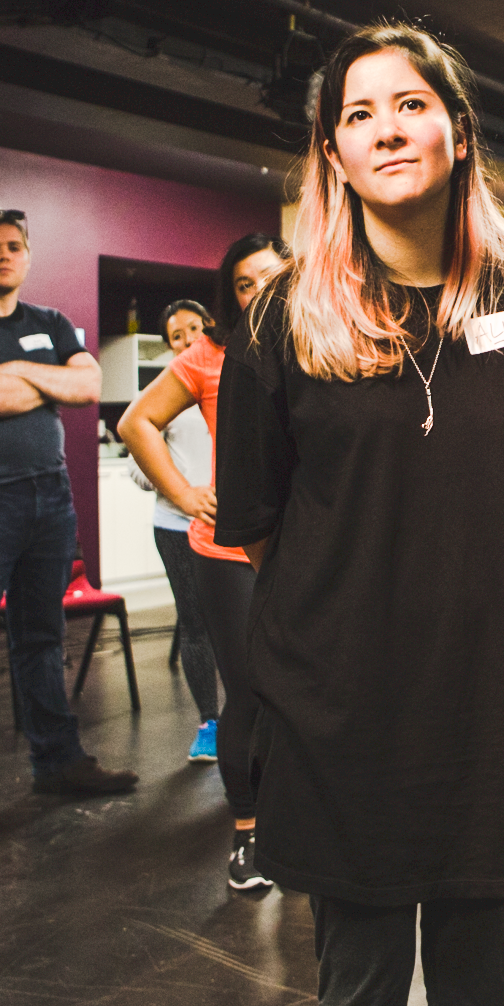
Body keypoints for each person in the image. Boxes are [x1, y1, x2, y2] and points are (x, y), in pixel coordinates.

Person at [211, 23, 504, 1006]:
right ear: (331, 152)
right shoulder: (282, 317)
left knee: (476, 996)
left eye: (410, 104)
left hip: (488, 712)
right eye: (357, 113)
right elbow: (260, 528)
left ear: (457, 133)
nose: (385, 130)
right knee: (361, 994)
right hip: (344, 716)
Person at [0, 209, 136, 839]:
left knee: (42, 638)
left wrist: (13, 373)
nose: (3, 256)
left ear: (28, 255)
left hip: (49, 496)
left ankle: (58, 761)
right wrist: (52, 383)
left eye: (14, 247)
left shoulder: (50, 322)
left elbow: (90, 384)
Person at [117, 233, 289, 893]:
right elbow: (137, 423)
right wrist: (187, 494)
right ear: (231, 295)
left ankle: (305, 821)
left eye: (272, 277)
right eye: (245, 283)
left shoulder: (321, 343)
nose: (260, 291)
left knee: (307, 690)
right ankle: (247, 835)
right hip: (228, 550)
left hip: (305, 549)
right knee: (247, 691)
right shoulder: (210, 354)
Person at [128, 300, 222, 764]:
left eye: (193, 328)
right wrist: (182, 487)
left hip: (231, 524)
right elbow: (138, 469)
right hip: (175, 524)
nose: (186, 339)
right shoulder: (166, 388)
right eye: (176, 335)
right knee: (195, 622)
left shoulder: (227, 372)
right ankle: (211, 724)